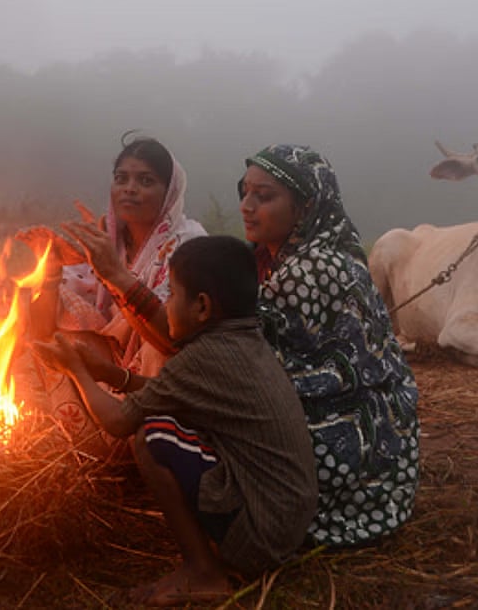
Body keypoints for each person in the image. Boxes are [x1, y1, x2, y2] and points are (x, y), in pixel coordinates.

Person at [34, 236, 317, 606]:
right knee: (163, 421)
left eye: (171, 295)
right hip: (284, 525)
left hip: (261, 535)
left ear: (201, 306)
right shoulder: (242, 341)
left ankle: (202, 572)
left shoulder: (203, 357)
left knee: (151, 437)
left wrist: (75, 372)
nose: (165, 306)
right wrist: (110, 374)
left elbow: (119, 421)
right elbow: (164, 392)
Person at [237, 144, 420, 547]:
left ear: (305, 207)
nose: (247, 206)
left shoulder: (307, 269)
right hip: (390, 459)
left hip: (356, 460)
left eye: (264, 196)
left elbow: (239, 357)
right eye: (244, 192)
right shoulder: (305, 252)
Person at [18, 133, 205, 449]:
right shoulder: (109, 239)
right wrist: (49, 269)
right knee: (61, 337)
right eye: (122, 178)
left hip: (164, 375)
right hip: (120, 362)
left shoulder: (190, 245)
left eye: (145, 180)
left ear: (169, 193)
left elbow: (176, 336)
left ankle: (141, 441)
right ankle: (88, 444)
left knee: (156, 350)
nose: (130, 188)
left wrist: (116, 276)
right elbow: (41, 330)